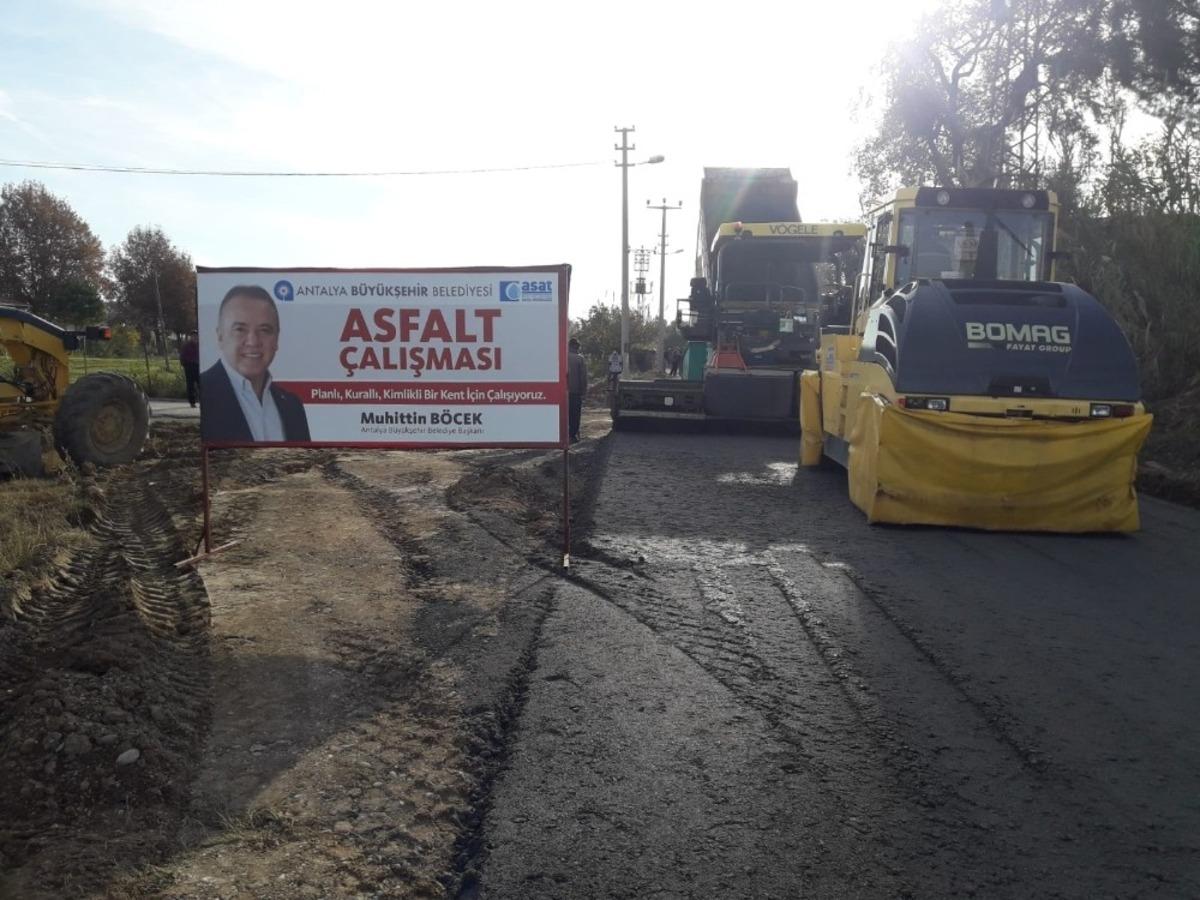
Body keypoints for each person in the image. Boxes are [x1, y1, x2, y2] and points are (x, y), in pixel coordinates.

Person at [200, 285, 310, 444]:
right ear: (220, 336)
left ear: (276, 339)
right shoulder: (204, 394)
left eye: (265, 330)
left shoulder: (293, 406)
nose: (253, 341)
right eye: (240, 329)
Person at [566, 337, 588, 444]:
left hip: (562, 392)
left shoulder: (562, 357)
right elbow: (583, 377)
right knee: (575, 414)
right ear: (576, 347)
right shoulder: (580, 359)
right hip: (575, 392)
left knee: (565, 414)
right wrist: (584, 391)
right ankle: (572, 435)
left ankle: (563, 435)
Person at [179, 331, 201, 407]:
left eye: (196, 336)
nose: (194, 337)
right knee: (190, 385)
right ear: (190, 337)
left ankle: (203, 400)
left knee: (201, 384)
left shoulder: (200, 345)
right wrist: (185, 364)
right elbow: (182, 356)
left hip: (199, 367)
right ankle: (192, 402)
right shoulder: (186, 346)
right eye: (193, 336)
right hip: (189, 367)